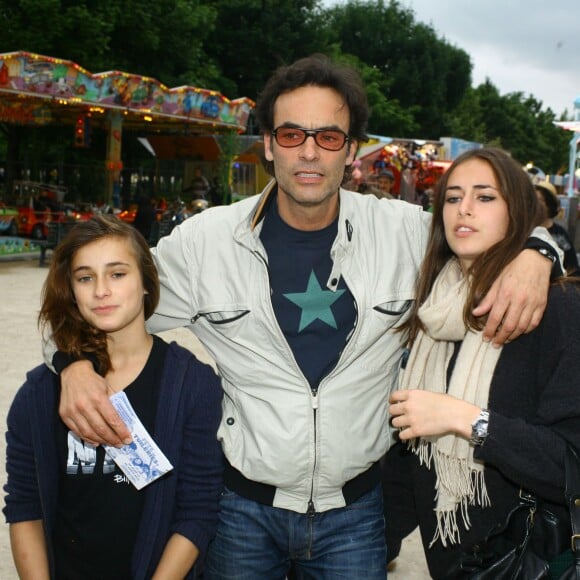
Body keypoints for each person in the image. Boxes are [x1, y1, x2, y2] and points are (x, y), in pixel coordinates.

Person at [49, 56, 559, 578]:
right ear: (268, 145)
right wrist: (72, 364)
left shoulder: (404, 233)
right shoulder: (206, 244)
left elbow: (489, 228)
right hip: (239, 513)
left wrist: (538, 255)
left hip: (357, 516)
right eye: (292, 134)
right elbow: (89, 297)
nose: (310, 151)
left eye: (329, 136)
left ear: (351, 151)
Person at [384, 147, 580, 579]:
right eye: (452, 198)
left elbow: (570, 464)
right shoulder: (436, 306)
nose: (464, 209)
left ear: (518, 211)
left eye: (485, 197)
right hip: (454, 564)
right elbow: (409, 454)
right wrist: (371, 544)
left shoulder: (559, 308)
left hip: (534, 560)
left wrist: (469, 420)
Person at [4, 215, 223, 579]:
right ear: (71, 291)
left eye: (117, 274)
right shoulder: (38, 395)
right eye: (85, 277)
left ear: (147, 284)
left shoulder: (193, 385)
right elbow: (25, 508)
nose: (101, 291)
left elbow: (198, 510)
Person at [535, 180, 580, 276]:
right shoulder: (524, 231)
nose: (534, 205)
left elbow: (573, 269)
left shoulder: (560, 235)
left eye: (540, 200)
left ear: (549, 204)